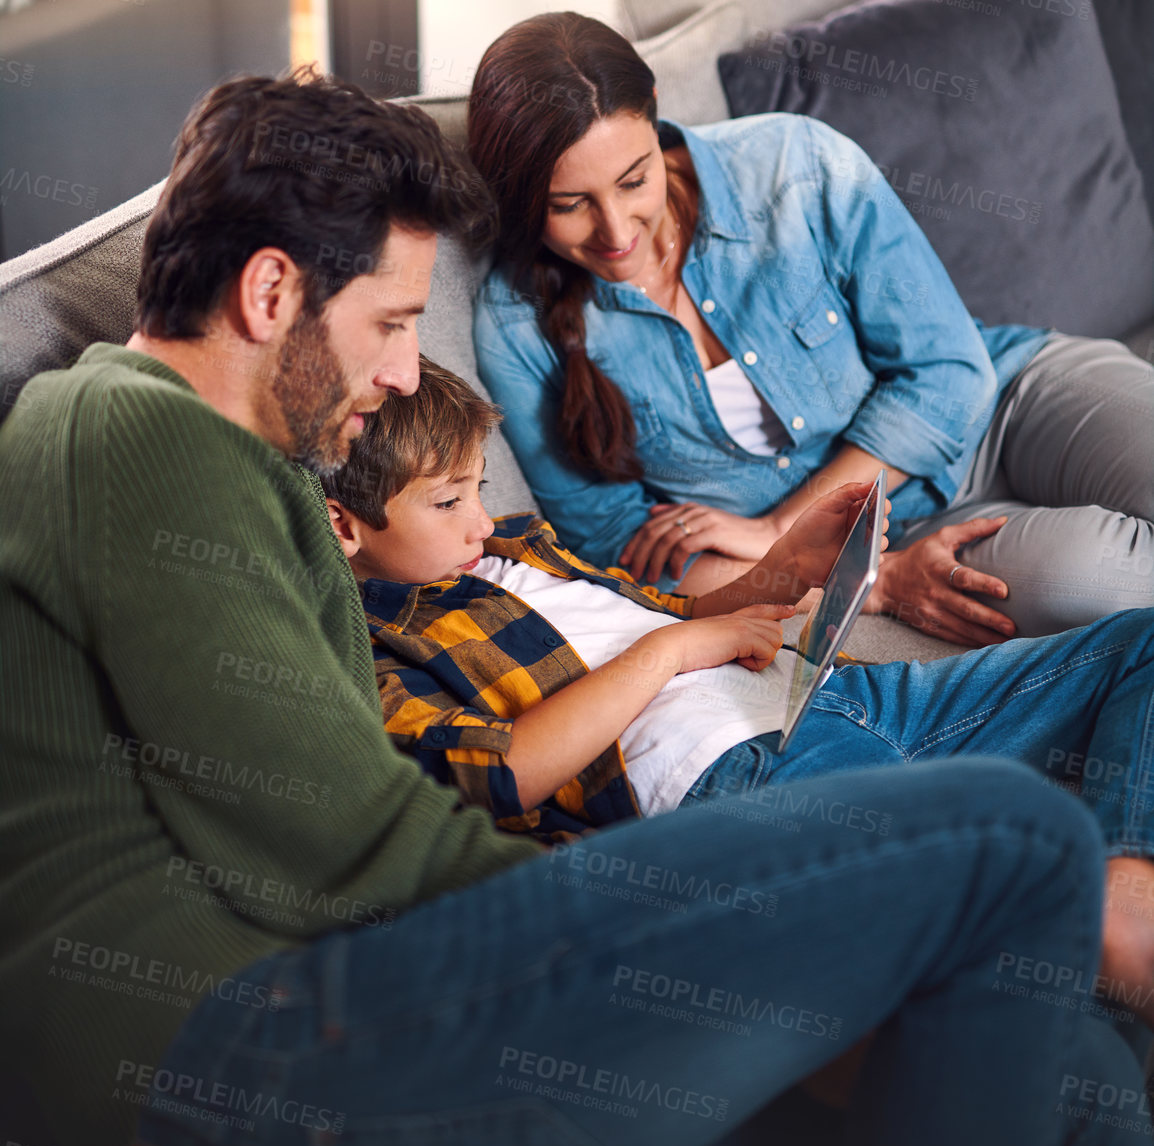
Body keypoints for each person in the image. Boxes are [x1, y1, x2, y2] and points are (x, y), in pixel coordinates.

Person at [2, 71, 1153, 1146]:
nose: (406, 370)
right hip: (254, 1065)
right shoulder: (132, 427)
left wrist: (777, 989)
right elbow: (344, 843)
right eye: (392, 323)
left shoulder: (252, 481)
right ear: (267, 291)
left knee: (1080, 1086)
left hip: (372, 1070)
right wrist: (744, 960)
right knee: (1016, 840)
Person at [321, 356, 1154, 1014]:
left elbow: (668, 610)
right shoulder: (378, 645)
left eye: (476, 486)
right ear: (345, 525)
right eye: (446, 502)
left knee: (1141, 643)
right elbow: (501, 774)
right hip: (740, 780)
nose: (479, 517)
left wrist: (782, 570)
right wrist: (674, 653)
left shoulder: (514, 543)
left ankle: (1126, 887)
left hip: (841, 702)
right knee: (994, 935)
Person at [467, 11, 1154, 645]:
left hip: (1007, 399)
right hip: (901, 536)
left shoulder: (795, 165)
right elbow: (627, 554)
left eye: (634, 180)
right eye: (569, 204)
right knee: (1094, 580)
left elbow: (950, 368)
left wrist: (779, 527)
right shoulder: (517, 328)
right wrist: (861, 580)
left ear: (653, 112)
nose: (616, 231)